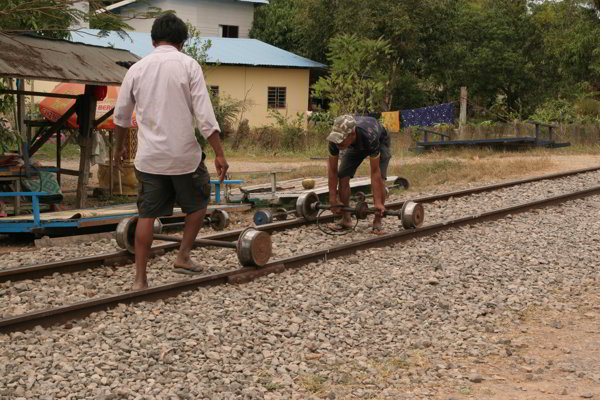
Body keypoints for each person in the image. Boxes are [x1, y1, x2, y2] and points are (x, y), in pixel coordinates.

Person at [113, 13, 229, 290]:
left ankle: (140, 279)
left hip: (149, 158)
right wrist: (219, 154)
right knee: (198, 204)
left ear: (153, 40)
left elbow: (121, 117)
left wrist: (117, 150)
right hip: (184, 157)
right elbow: (204, 115)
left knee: (147, 215)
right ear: (182, 42)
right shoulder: (188, 66)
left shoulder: (136, 69)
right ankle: (183, 256)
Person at [326, 114, 391, 234]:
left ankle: (378, 221)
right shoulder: (334, 141)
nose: (338, 144)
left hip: (379, 141)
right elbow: (332, 170)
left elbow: (375, 172)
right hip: (355, 145)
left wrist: (377, 202)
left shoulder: (369, 137)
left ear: (352, 134)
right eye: (337, 140)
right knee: (343, 175)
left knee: (381, 177)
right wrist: (332, 198)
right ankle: (346, 219)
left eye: (341, 141)